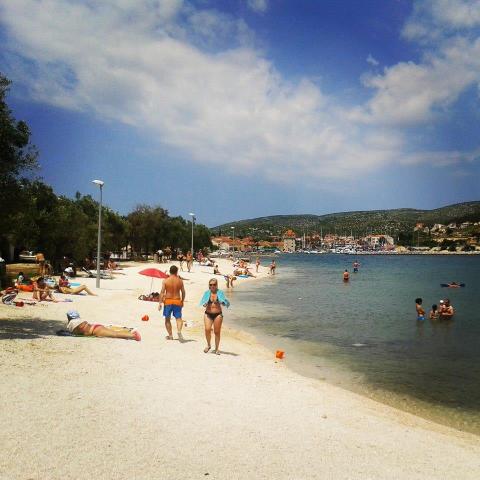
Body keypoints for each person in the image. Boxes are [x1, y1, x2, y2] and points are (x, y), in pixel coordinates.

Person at [199, 278, 230, 354]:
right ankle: (208, 345)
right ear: (209, 285)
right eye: (211, 284)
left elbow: (224, 302)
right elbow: (203, 302)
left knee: (217, 332)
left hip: (218, 314)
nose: (212, 286)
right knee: (207, 329)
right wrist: (205, 304)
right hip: (208, 313)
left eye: (214, 284)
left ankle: (216, 349)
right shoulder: (207, 293)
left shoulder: (220, 293)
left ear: (217, 285)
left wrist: (223, 302)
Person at [65, 311, 140, 340]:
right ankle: (130, 332)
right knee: (113, 332)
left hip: (96, 330)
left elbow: (74, 332)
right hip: (95, 327)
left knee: (115, 334)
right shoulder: (79, 320)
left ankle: (133, 335)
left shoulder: (72, 323)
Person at [159, 265, 186, 340]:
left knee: (167, 319)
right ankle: (179, 331)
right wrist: (182, 301)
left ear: (170, 271)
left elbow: (162, 292)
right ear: (176, 272)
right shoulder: (180, 281)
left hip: (168, 301)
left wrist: (160, 303)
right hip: (177, 301)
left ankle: (170, 335)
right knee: (179, 318)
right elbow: (183, 292)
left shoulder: (165, 281)